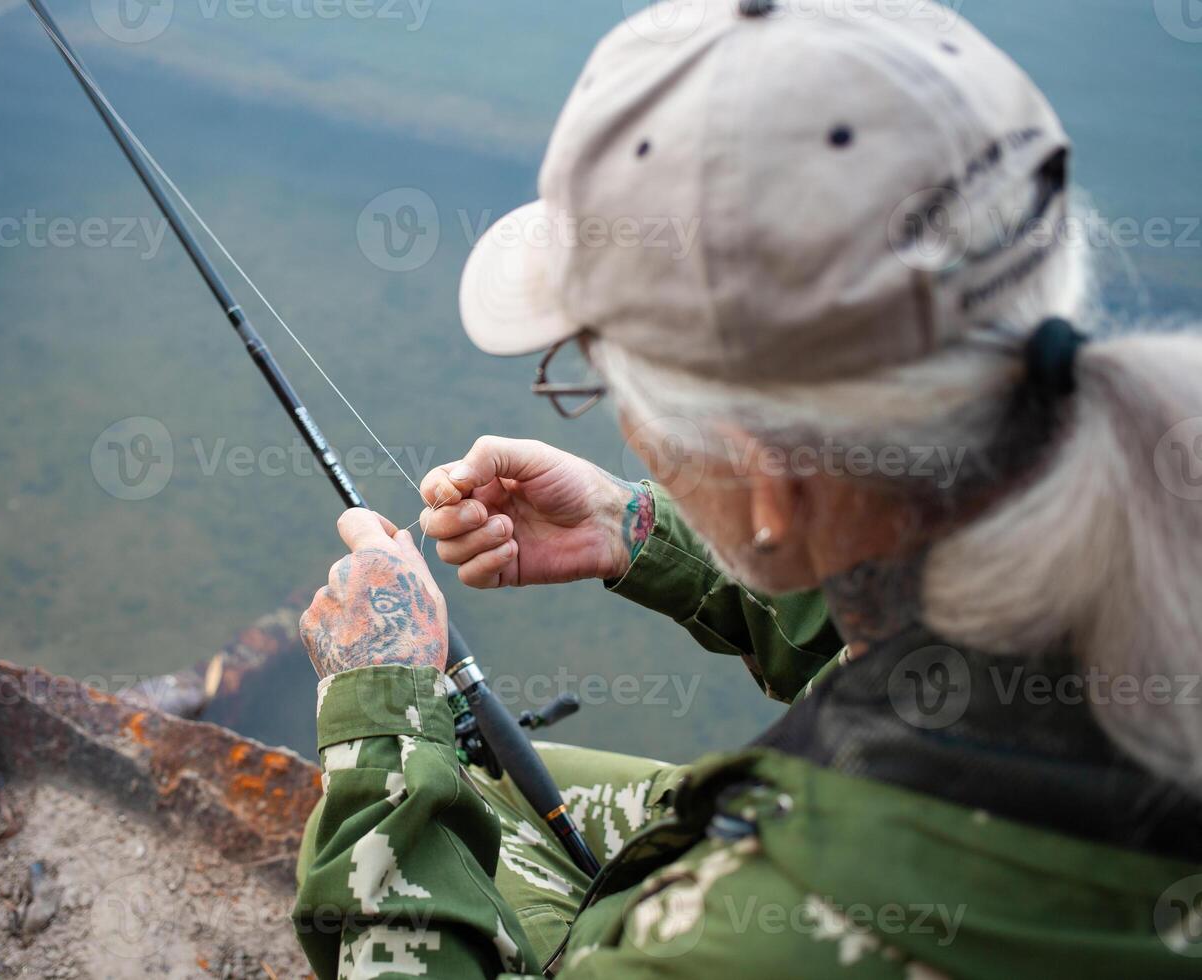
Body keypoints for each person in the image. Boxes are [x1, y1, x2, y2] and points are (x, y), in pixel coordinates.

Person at [293, 1, 1202, 976]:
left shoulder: (776, 936)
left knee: (424, 784)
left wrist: (379, 715)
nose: (617, 416)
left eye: (600, 378)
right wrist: (636, 525)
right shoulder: (1127, 494)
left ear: (768, 474)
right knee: (478, 781)